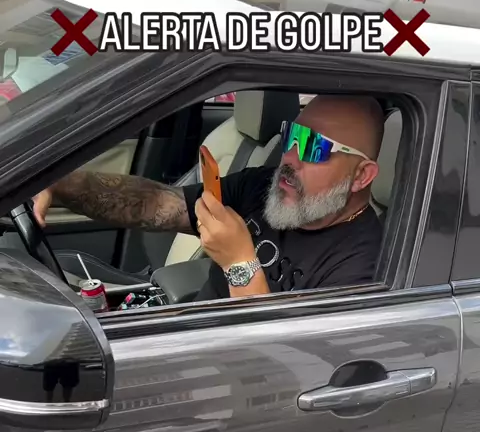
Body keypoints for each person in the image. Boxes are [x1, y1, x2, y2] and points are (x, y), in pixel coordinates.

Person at [33, 94, 385, 302]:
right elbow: (158, 204)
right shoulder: (265, 186)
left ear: (361, 176)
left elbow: (283, 367)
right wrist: (62, 184)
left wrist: (240, 264)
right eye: (292, 135)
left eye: (313, 147)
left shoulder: (365, 267)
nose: (289, 157)